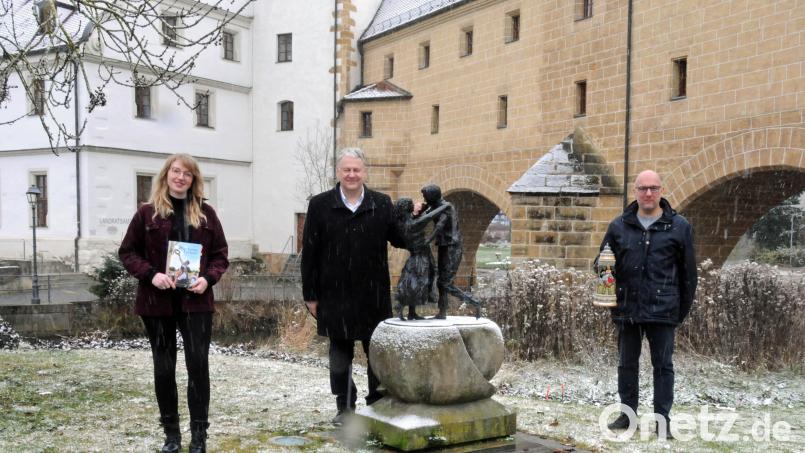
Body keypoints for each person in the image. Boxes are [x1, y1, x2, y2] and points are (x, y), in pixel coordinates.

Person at [119, 154, 229, 453]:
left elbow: (220, 255)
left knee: (198, 367)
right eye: (176, 171)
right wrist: (151, 275)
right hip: (157, 304)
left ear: (194, 180)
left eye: (187, 174)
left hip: (196, 303)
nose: (180, 177)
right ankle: (171, 435)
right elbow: (128, 253)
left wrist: (208, 279)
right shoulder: (147, 214)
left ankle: (199, 436)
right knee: (164, 369)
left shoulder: (206, 214)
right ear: (166, 175)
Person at [301, 148, 404, 425]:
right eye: (346, 170)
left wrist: (413, 217)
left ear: (365, 172)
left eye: (356, 170)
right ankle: (345, 407)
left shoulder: (381, 204)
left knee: (377, 353)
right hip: (334, 293)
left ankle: (377, 404)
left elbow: (399, 238)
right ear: (338, 172)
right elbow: (309, 253)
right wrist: (310, 295)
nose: (351, 175)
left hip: (373, 293)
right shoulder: (320, 205)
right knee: (339, 355)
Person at [599, 170, 697, 439]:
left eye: (653, 188)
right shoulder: (619, 226)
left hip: (663, 310)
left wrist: (679, 311)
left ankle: (662, 421)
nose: (648, 193)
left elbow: (689, 275)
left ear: (661, 190)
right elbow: (603, 263)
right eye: (643, 188)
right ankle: (627, 416)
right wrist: (607, 288)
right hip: (627, 309)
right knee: (626, 365)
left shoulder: (679, 227)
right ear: (635, 191)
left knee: (663, 367)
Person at [420, 184, 481, 319]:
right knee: (440, 281)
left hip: (452, 247)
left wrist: (428, 240)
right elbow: (424, 217)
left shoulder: (447, 207)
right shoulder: (436, 206)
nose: (424, 199)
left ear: (432, 196)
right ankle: (442, 312)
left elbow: (439, 226)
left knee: (445, 283)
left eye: (425, 197)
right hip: (444, 246)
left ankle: (474, 302)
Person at [393, 197, 449, 320]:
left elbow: (424, 214)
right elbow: (428, 217)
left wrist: (425, 206)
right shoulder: (411, 224)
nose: (414, 205)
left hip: (422, 254)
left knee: (416, 282)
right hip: (419, 256)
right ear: (407, 208)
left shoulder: (406, 221)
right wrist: (444, 207)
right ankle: (401, 307)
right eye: (411, 204)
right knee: (416, 283)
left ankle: (411, 312)